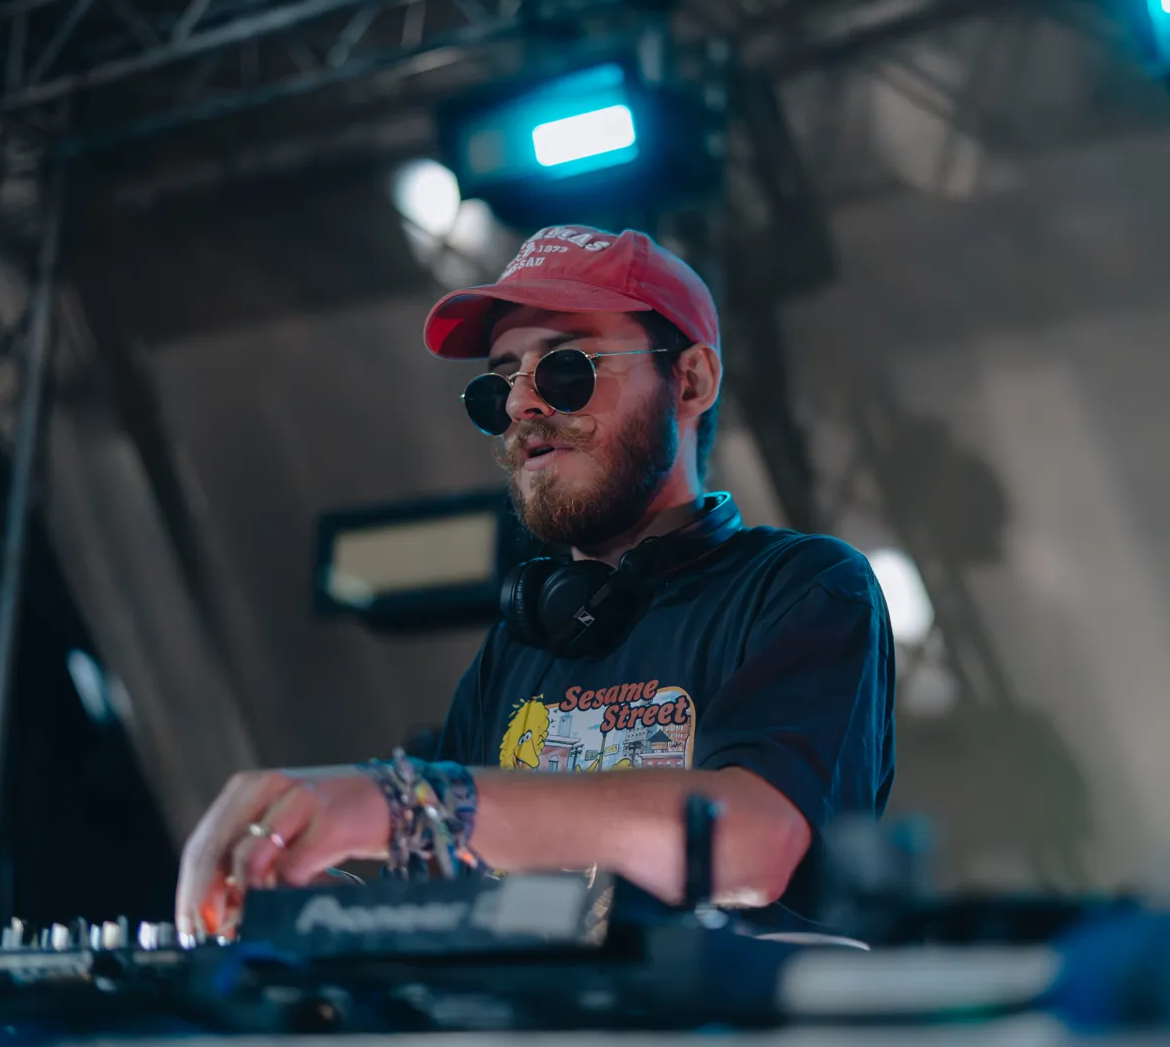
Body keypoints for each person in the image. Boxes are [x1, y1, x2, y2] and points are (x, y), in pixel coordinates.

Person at [175, 226, 895, 940]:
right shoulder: (516, 649)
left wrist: (410, 801)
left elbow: (753, 844)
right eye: (498, 386)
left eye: (566, 369)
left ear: (691, 379)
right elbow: (450, 900)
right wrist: (300, 901)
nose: (522, 405)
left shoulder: (802, 588)